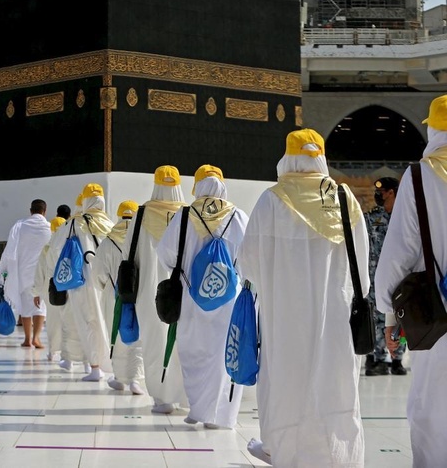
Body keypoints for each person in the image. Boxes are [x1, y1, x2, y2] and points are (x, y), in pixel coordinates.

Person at [238, 129, 368, 466]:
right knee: (335, 383)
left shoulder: (272, 200)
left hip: (284, 316)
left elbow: (248, 263)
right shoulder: (345, 199)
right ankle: (338, 456)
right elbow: (362, 267)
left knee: (285, 381)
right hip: (336, 317)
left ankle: (283, 450)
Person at [375, 94, 447, 467]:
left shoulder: (419, 176)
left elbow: (399, 252)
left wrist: (390, 316)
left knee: (433, 407)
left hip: (436, 317)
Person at [157, 165, 248, 428]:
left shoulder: (184, 216)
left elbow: (166, 255)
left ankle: (198, 409)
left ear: (196, 187)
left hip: (190, 296)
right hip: (228, 298)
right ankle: (222, 416)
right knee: (225, 352)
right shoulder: (237, 215)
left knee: (193, 350)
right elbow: (249, 255)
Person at [124, 166, 186, 413]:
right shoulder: (187, 215)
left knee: (153, 343)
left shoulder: (140, 215)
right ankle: (185, 396)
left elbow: (129, 253)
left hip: (148, 291)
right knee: (182, 343)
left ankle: (162, 399)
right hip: (181, 291)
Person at [49, 183, 114, 381]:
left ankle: (95, 367)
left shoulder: (75, 223)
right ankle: (111, 365)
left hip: (82, 281)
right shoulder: (110, 223)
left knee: (88, 322)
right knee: (106, 322)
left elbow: (55, 247)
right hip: (107, 281)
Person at [91, 200, 143, 393]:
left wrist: (106, 287)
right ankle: (136, 379)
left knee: (117, 337)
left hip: (114, 296)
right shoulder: (143, 238)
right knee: (138, 337)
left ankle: (120, 378)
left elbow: (97, 275)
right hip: (140, 295)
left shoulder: (108, 241)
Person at [363, 176, 405, 376]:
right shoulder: (371, 218)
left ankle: (397, 359)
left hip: (400, 276)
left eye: (383, 191)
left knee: (402, 315)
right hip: (374, 277)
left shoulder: (405, 218)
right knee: (375, 317)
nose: (378, 195)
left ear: (392, 192)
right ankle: (375, 358)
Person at [0, 199, 52, 348]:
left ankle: (27, 339)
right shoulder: (49, 227)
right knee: (40, 306)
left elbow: (9, 250)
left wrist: (4, 270)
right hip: (41, 273)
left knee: (25, 307)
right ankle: (36, 337)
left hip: (22, 273)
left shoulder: (20, 226)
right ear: (45, 211)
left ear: (30, 211)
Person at [32, 216, 67, 361]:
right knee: (68, 321)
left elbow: (39, 272)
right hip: (68, 287)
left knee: (53, 321)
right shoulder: (69, 245)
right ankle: (68, 354)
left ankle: (53, 352)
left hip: (50, 289)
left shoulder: (47, 248)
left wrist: (36, 292)